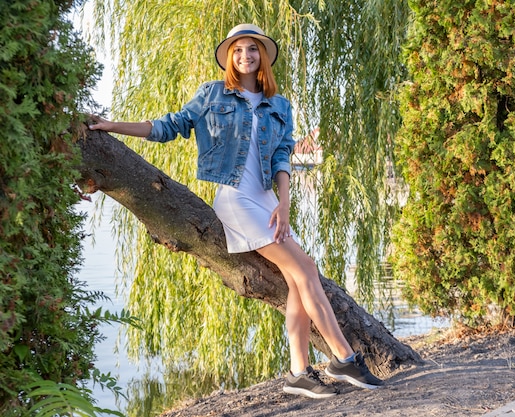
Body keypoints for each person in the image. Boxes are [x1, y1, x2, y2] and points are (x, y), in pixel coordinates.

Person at [89, 23, 384, 399]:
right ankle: (343, 358)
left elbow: (282, 156)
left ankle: (298, 372)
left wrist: (285, 202)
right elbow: (169, 126)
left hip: (266, 200)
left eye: (253, 49)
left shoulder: (280, 105)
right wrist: (113, 125)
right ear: (230, 56)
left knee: (297, 278)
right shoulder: (213, 95)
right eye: (239, 49)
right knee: (306, 269)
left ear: (263, 56)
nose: (246, 55)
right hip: (234, 199)